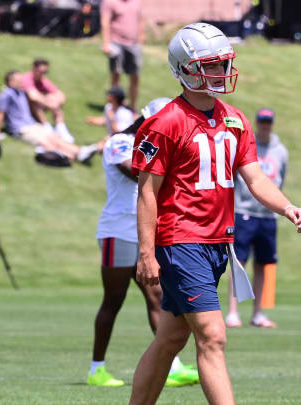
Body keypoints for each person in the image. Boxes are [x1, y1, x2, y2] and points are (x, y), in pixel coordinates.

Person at [128, 23, 301, 405]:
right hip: (181, 240)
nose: (219, 73)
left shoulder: (234, 119)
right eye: (210, 65)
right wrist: (146, 252)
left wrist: (287, 206)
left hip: (216, 243)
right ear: (185, 68)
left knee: (170, 339)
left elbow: (256, 179)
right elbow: (147, 193)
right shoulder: (165, 123)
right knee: (213, 336)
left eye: (222, 64)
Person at [89, 98, 199, 388]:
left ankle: (173, 366)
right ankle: (96, 369)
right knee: (114, 301)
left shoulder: (155, 145)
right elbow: (136, 171)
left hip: (145, 231)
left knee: (157, 297)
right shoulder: (120, 142)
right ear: (147, 120)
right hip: (118, 230)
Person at [225, 108, 288, 329]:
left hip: (267, 216)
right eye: (262, 121)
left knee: (263, 264)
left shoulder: (280, 151)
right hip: (245, 212)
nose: (265, 125)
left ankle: (258, 313)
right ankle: (233, 312)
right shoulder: (247, 145)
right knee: (239, 263)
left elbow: (281, 179)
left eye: (268, 122)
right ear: (257, 123)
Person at [0, 71, 98, 165]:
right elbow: (0, 113)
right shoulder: (7, 94)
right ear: (10, 82)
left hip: (32, 124)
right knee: (46, 142)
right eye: (19, 80)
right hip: (21, 129)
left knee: (54, 137)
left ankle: (80, 152)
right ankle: (67, 157)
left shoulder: (22, 92)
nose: (22, 82)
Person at [100, 0, 144, 111]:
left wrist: (141, 38)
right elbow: (105, 22)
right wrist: (106, 43)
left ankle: (132, 107)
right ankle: (115, 106)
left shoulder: (137, 2)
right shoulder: (109, 2)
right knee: (116, 75)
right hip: (116, 43)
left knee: (135, 76)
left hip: (133, 44)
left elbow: (141, 19)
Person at [22, 59, 74, 143]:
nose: (43, 74)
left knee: (54, 100)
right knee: (37, 102)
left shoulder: (43, 80)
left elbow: (61, 95)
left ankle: (61, 127)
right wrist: (49, 102)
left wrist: (53, 102)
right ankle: (47, 127)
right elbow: (33, 96)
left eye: (45, 72)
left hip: (41, 105)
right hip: (28, 108)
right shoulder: (26, 78)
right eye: (41, 71)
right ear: (34, 69)